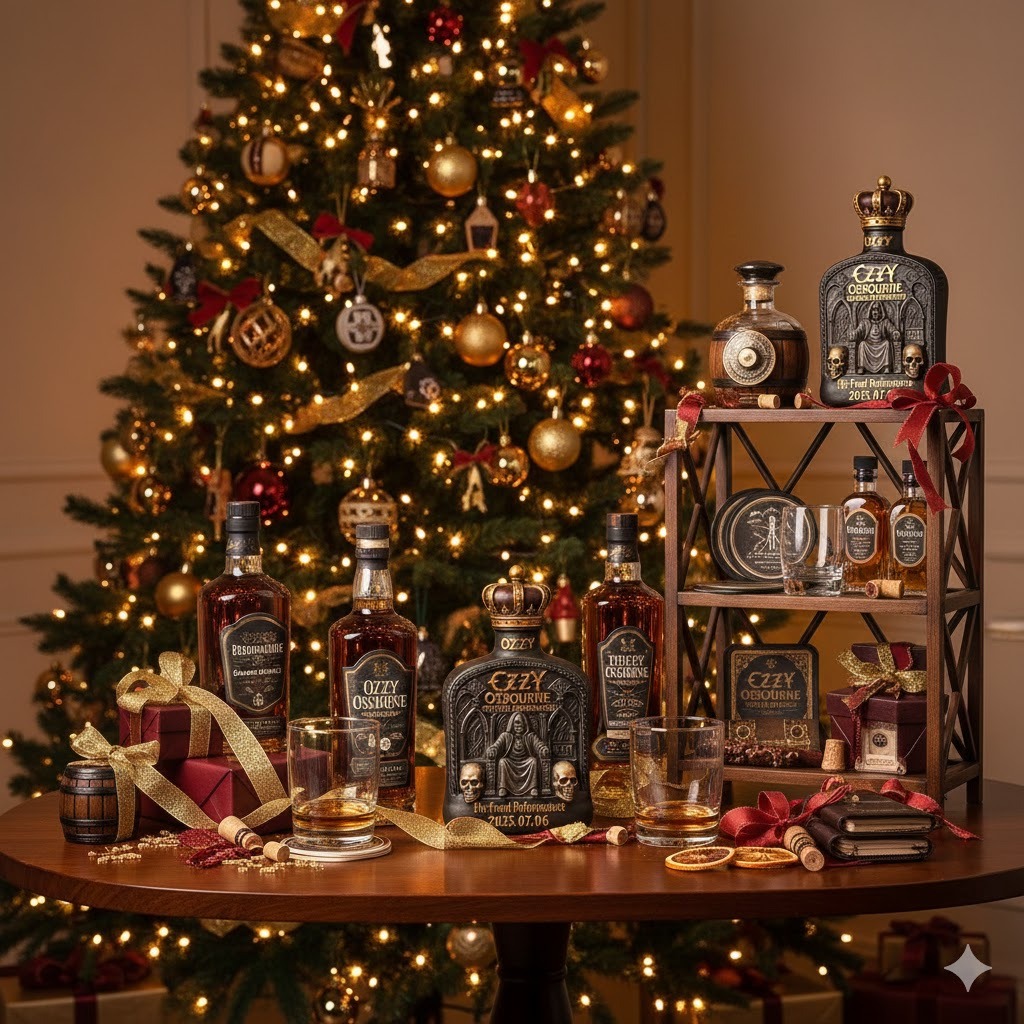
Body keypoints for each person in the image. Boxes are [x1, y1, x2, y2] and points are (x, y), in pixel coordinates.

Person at [486, 712, 549, 797]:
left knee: (533, 761)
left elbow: (539, 745)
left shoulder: (530, 736)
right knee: (502, 761)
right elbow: (496, 745)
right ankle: (503, 787)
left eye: (521, 723)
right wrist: (492, 750)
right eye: (516, 723)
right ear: (512, 724)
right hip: (510, 762)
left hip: (526, 761)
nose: (519, 726)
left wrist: (543, 749)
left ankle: (532, 788)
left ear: (525, 724)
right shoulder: (505, 736)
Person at [849, 301, 900, 374]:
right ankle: (861, 367)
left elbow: (892, 329)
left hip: (881, 344)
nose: (875, 312)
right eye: (873, 310)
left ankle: (886, 367)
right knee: (862, 344)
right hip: (869, 344)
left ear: (881, 311)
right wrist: (854, 333)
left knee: (887, 343)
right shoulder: (865, 322)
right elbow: (858, 330)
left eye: (877, 310)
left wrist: (895, 332)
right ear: (870, 311)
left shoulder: (885, 321)